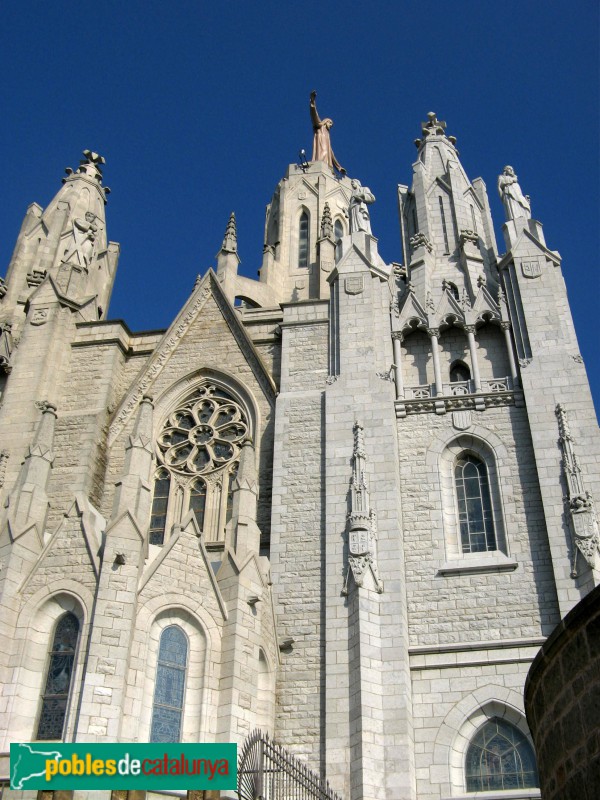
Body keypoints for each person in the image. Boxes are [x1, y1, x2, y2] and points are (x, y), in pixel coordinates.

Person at [310, 91, 345, 174]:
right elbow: (314, 115)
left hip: (327, 162)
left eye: (331, 124)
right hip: (320, 158)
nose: (330, 125)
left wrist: (339, 167)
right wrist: (312, 101)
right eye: (330, 123)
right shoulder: (319, 127)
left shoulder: (327, 135)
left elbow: (331, 153)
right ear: (325, 122)